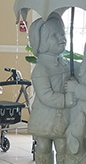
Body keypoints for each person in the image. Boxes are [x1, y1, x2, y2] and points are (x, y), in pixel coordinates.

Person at [27, 13, 77, 164]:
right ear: (41, 43)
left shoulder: (66, 63)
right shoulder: (41, 69)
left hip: (62, 116)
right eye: (54, 35)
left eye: (62, 33)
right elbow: (45, 95)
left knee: (63, 146)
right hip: (44, 116)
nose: (61, 38)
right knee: (43, 146)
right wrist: (65, 99)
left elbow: (80, 73)